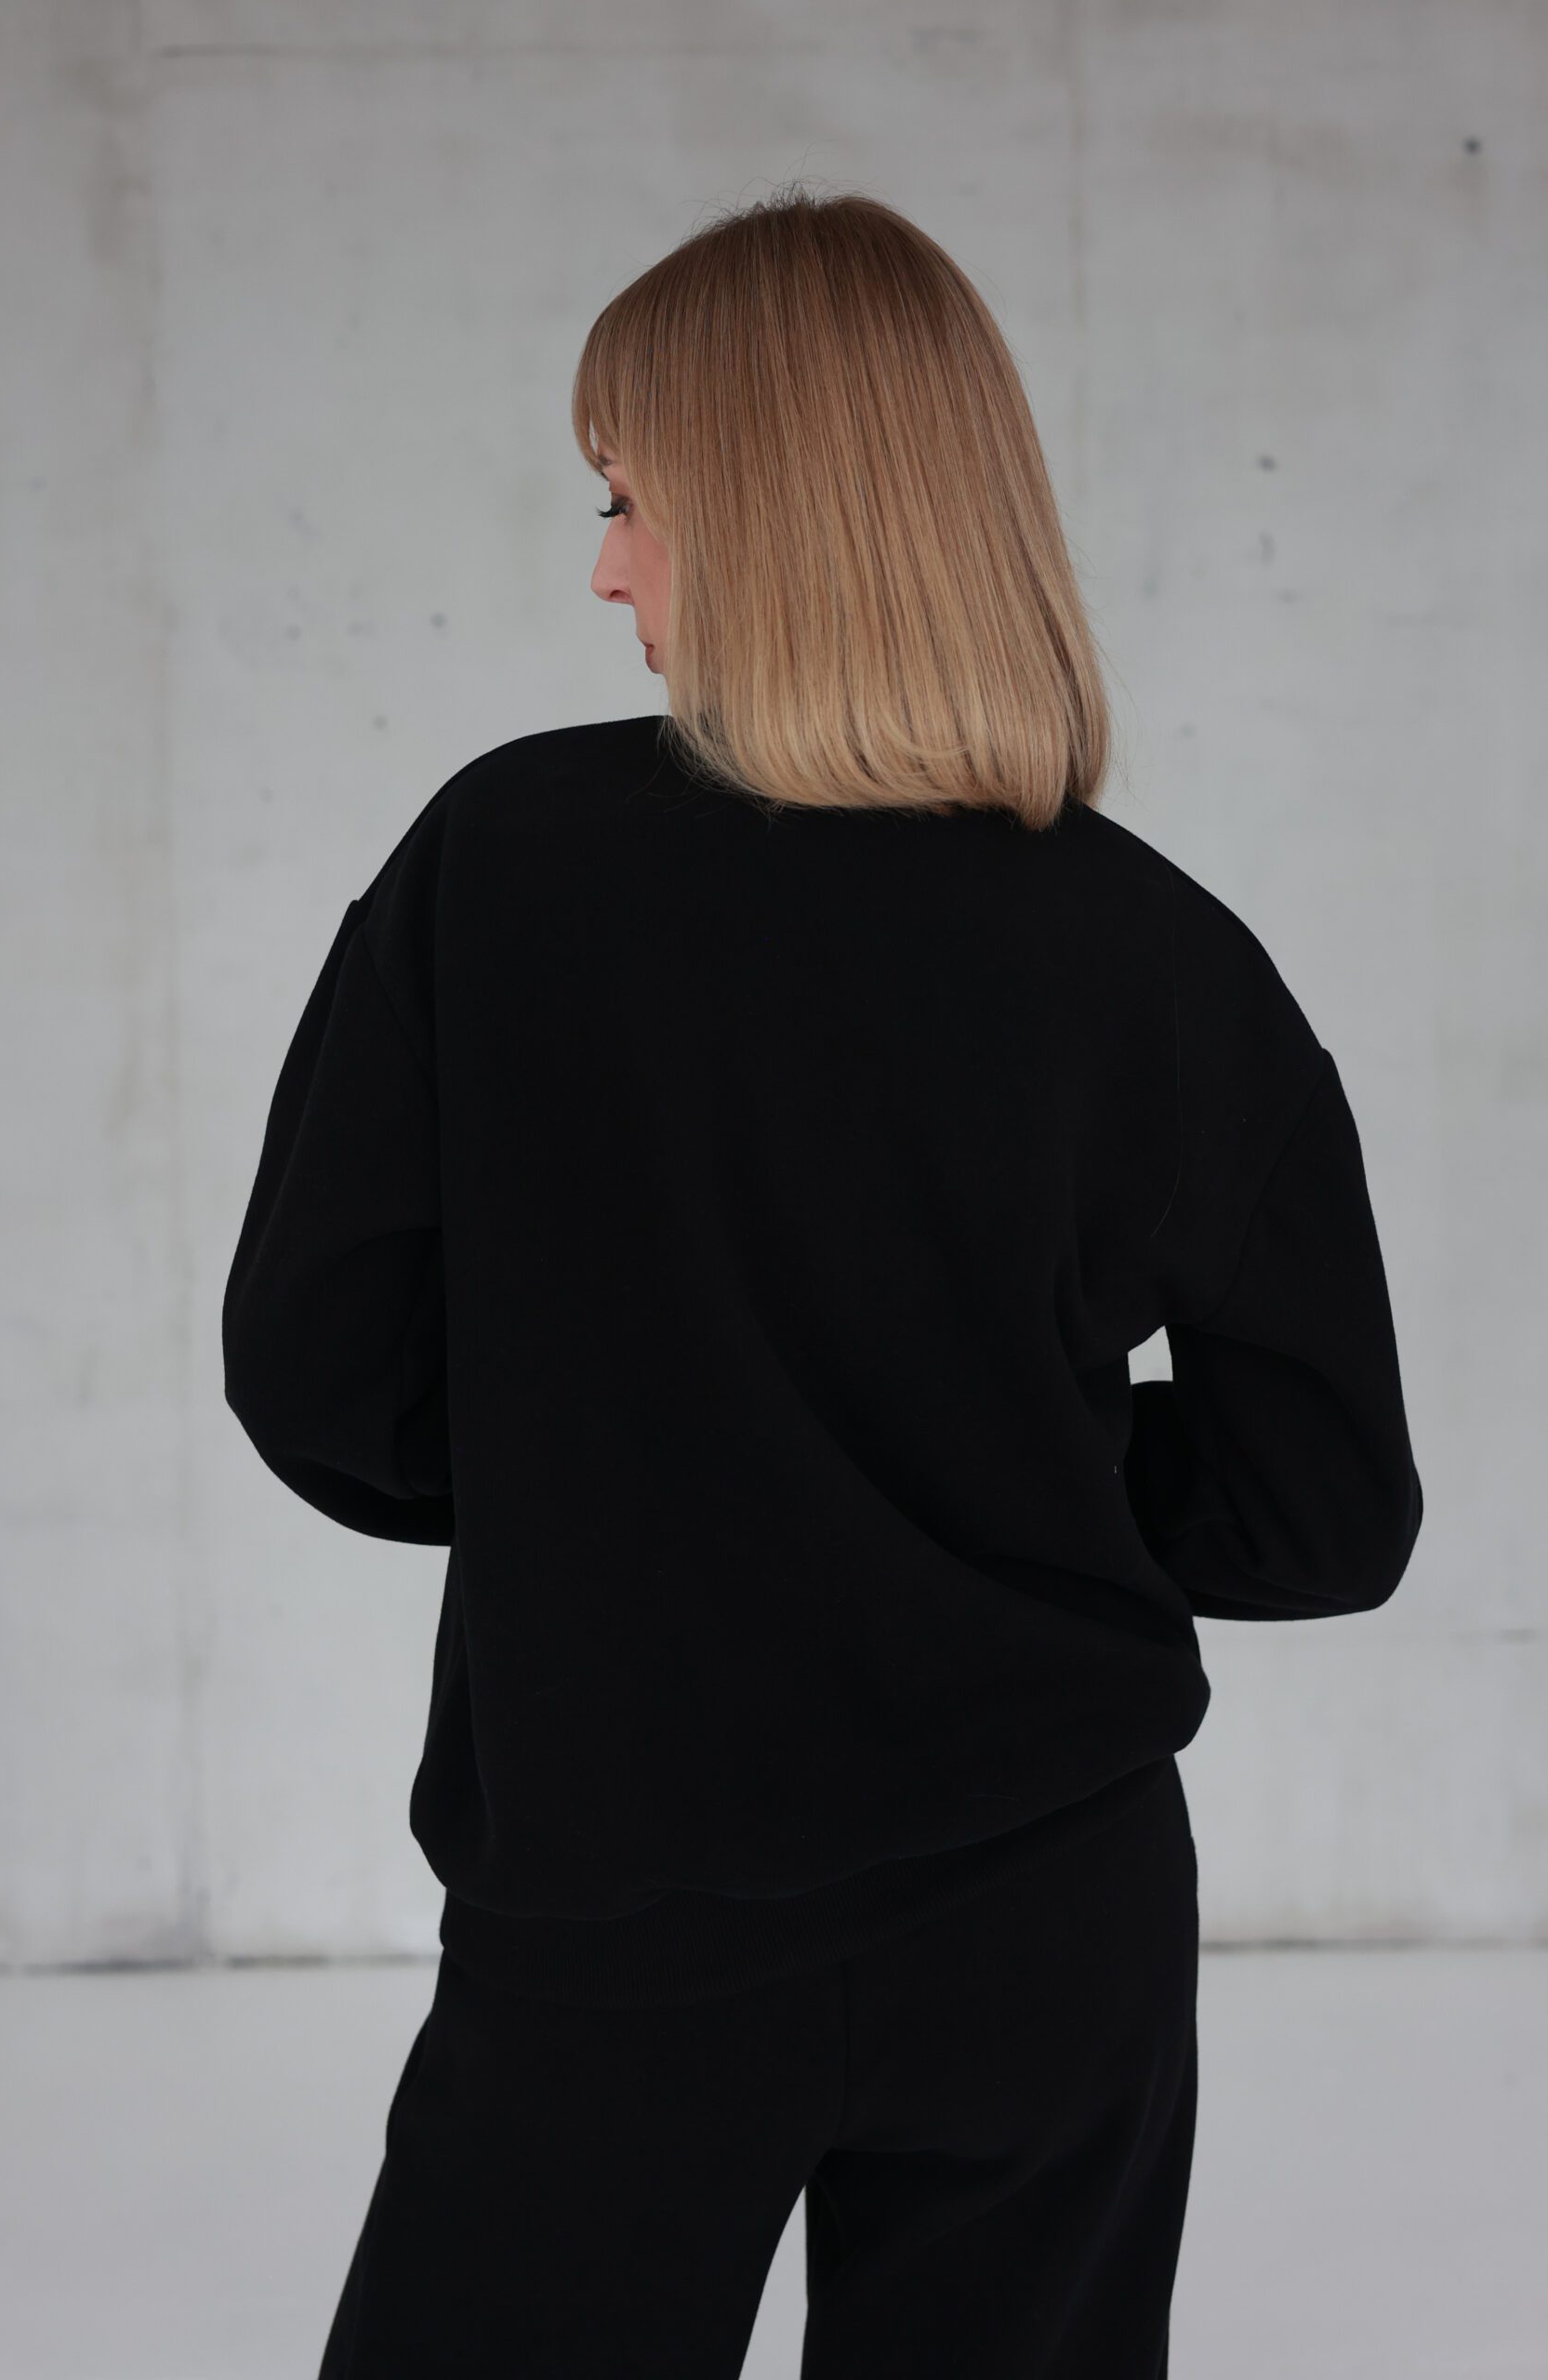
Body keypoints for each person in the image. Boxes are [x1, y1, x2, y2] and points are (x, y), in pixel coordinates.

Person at [220, 183, 1423, 2378]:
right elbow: (1322, 1511)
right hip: (1054, 1915)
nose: (602, 570)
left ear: (768, 516)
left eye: (626, 501)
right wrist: (990, 1470)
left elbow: (320, 1372)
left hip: (623, 1904)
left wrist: (638, 1482)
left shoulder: (501, 870)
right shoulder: (1165, 955)